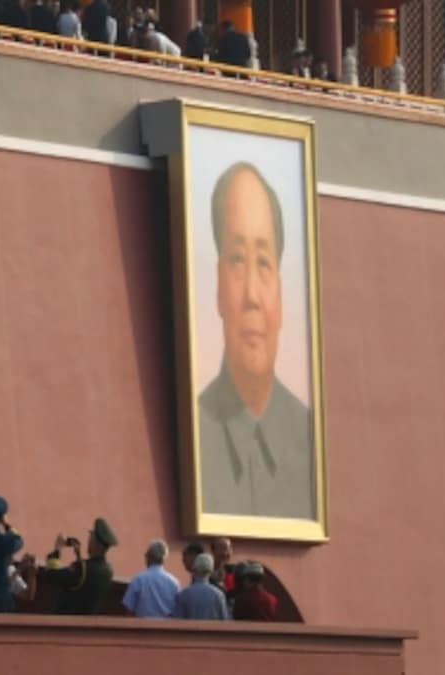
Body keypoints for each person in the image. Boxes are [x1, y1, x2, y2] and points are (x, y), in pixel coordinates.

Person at [198, 162, 313, 518]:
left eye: (263, 263)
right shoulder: (196, 433)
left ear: (280, 289)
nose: (251, 295)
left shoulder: (308, 438)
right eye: (236, 260)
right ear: (218, 286)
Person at [44, 517, 116, 615]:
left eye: (91, 536)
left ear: (97, 543)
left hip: (66, 623)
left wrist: (57, 550)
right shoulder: (108, 571)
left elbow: (51, 575)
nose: (89, 540)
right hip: (85, 624)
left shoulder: (82, 568)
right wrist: (79, 557)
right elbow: (84, 583)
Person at [121, 539, 179, 618]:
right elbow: (177, 611)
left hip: (143, 627)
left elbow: (129, 608)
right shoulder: (174, 582)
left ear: (149, 556)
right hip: (166, 628)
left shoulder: (139, 580)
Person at [173, 553, 231, 620]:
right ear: (211, 570)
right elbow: (224, 620)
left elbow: (177, 620)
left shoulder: (183, 594)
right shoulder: (219, 595)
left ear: (195, 568)